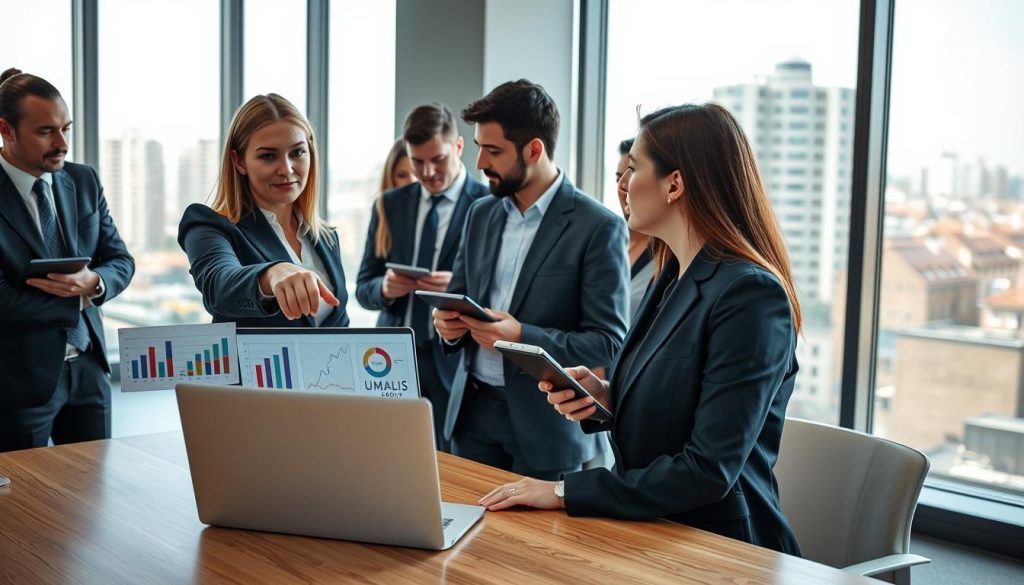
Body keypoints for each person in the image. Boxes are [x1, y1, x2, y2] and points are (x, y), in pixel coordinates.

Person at [478, 103, 803, 556]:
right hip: (652, 529)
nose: (622, 185)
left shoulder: (750, 296)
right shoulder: (671, 275)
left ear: (675, 184)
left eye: (632, 169)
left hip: (720, 548)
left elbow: (708, 470)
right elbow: (681, 405)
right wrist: (609, 398)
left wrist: (561, 491)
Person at [434, 80, 629, 480]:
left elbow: (607, 343)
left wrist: (523, 335)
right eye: (478, 147)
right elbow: (458, 297)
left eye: (493, 151)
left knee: (531, 546)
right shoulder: (480, 214)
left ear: (534, 150)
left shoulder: (598, 227)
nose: (479, 164)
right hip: (470, 417)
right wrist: (448, 328)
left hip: (548, 427)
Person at [0, 69, 135, 451]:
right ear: (6, 130)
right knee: (22, 505)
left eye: (66, 128)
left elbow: (120, 260)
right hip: (18, 385)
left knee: (92, 500)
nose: (62, 143)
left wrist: (95, 283)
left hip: (90, 371)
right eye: (46, 131)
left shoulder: (84, 180)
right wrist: (76, 298)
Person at [356, 104, 488, 451]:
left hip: (457, 359)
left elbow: (502, 295)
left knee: (452, 464)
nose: (427, 172)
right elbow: (363, 287)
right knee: (386, 455)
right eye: (417, 161)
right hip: (389, 358)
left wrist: (460, 289)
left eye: (438, 159)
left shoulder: (489, 206)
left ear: (458, 147)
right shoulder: (389, 204)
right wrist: (384, 289)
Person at [178, 93, 349, 327]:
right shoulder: (209, 225)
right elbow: (219, 286)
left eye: (297, 152)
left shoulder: (327, 238)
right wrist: (271, 275)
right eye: (268, 156)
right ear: (239, 162)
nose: (286, 169)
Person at [615, 137, 654, 321]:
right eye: (618, 177)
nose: (622, 186)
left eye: (632, 173)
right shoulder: (611, 243)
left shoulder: (671, 256)